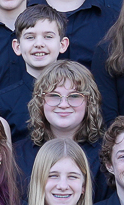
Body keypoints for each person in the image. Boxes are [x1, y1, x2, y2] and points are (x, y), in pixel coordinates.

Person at [14, 61, 106, 193]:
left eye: (74, 96)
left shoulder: (104, 155)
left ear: (89, 103)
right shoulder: (18, 155)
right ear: (40, 102)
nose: (63, 104)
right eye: (53, 96)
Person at [0, 5, 72, 140]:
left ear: (62, 45)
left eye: (48, 36)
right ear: (17, 47)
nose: (39, 44)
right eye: (30, 37)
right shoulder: (0, 104)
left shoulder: (77, 98)